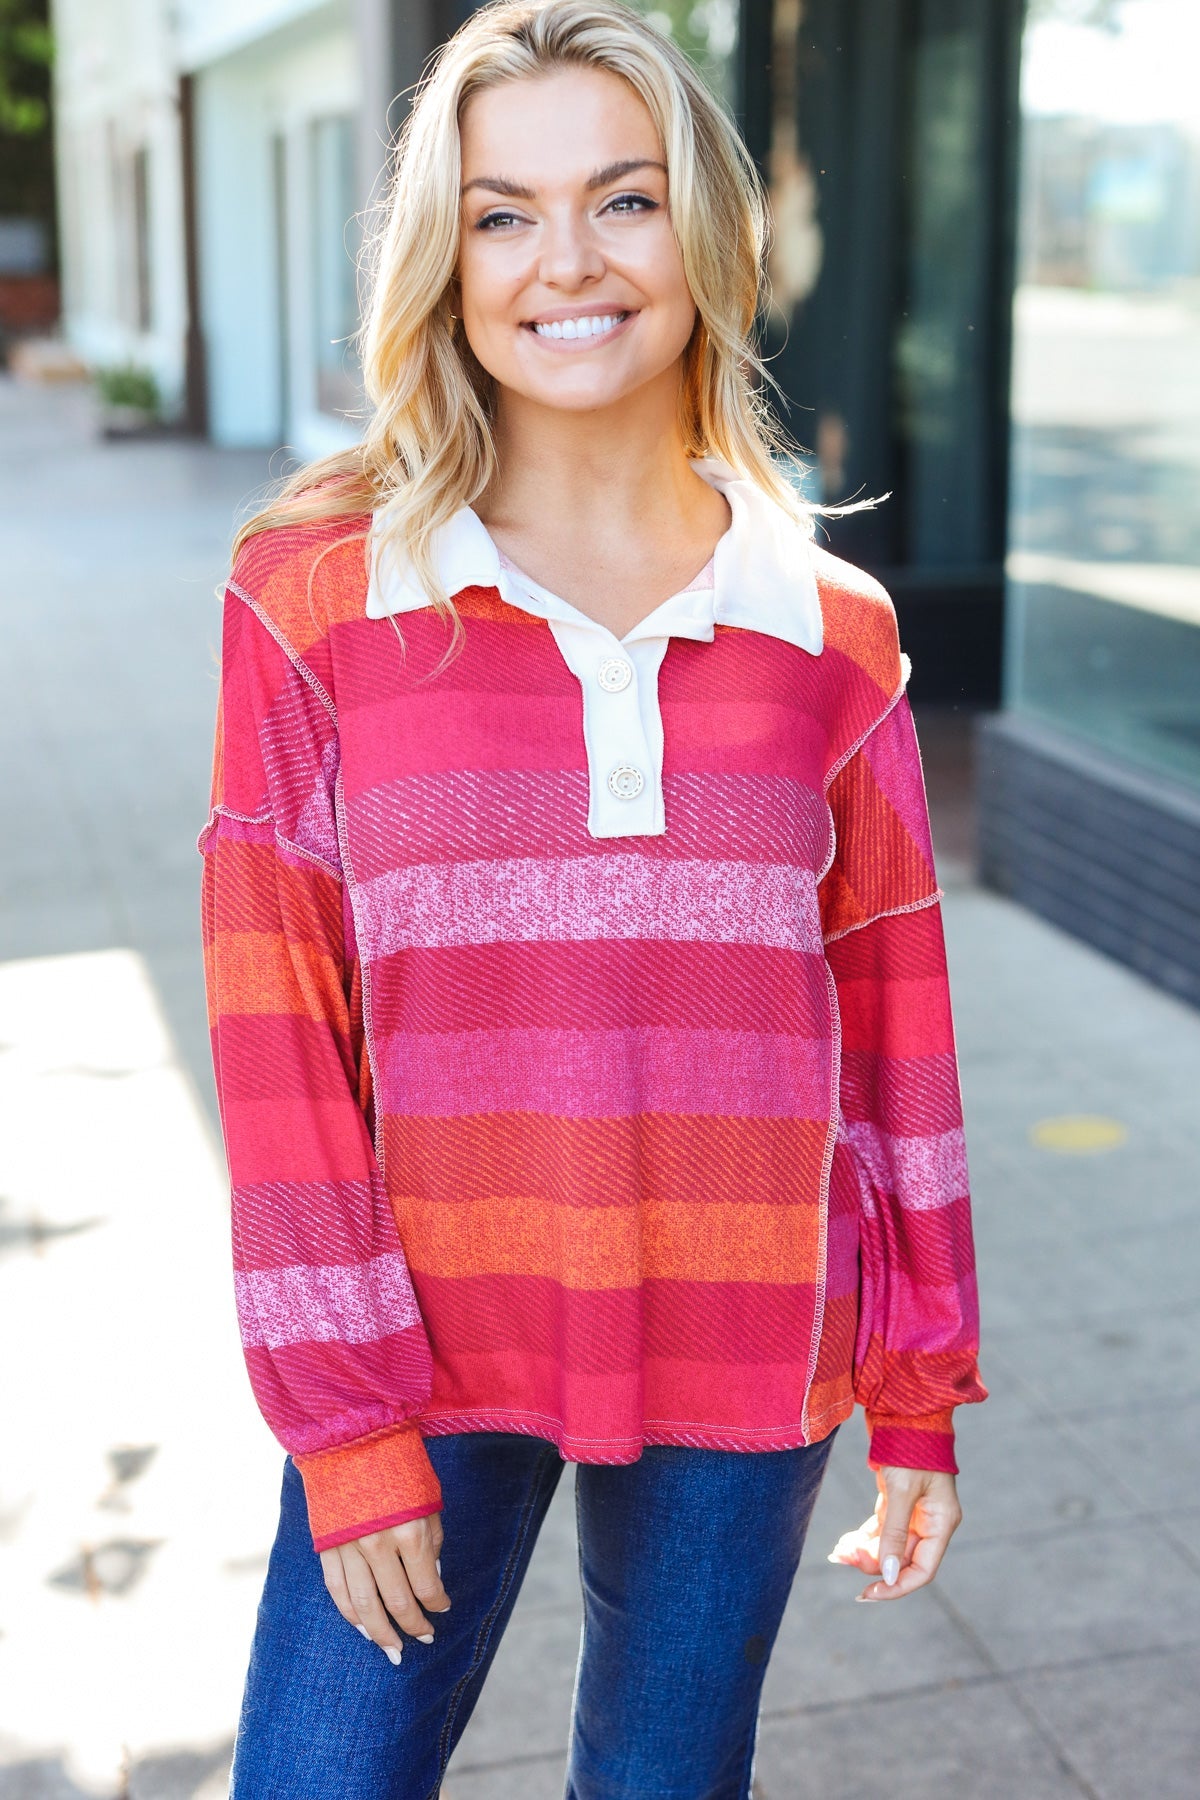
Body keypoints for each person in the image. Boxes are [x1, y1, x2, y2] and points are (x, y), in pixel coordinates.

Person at [197, 2, 988, 1793]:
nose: (567, 261)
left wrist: (922, 1372)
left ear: (705, 235)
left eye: (623, 201)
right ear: (443, 257)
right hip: (423, 1347)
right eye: (501, 212)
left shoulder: (830, 630)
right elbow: (277, 1033)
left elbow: (895, 1036)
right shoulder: (318, 592)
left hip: (748, 1341)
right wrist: (345, 1421)